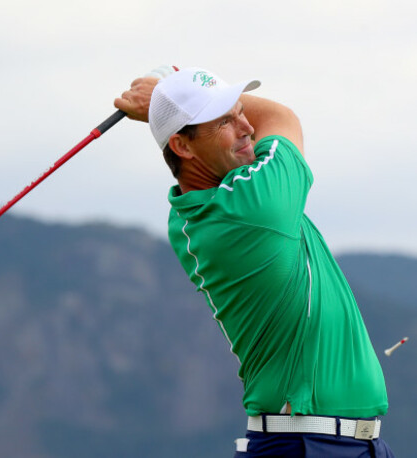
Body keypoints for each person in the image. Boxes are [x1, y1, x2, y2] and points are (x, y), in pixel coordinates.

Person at [114, 67, 395, 457]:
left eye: (241, 110)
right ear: (183, 147)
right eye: (225, 120)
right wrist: (164, 95)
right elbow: (281, 118)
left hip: (336, 442)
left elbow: (255, 126)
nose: (247, 126)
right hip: (308, 444)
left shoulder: (196, 213)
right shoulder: (253, 206)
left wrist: (172, 100)